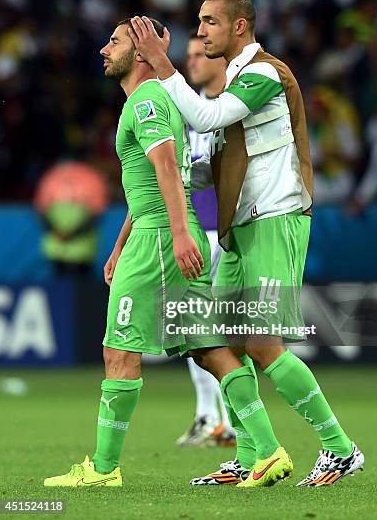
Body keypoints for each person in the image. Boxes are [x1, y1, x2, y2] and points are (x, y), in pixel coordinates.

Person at [128, 0, 365, 488]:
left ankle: (340, 449)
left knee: (261, 341)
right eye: (199, 23)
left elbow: (207, 117)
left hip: (275, 218)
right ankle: (252, 453)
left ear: (239, 27)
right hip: (241, 227)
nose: (201, 32)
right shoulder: (234, 83)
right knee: (222, 341)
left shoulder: (264, 74)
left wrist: (160, 65)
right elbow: (208, 166)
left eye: (210, 23)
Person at [44, 16, 291, 489]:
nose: (103, 49)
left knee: (118, 351)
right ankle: (268, 449)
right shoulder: (148, 101)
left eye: (114, 41)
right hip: (159, 233)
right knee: (207, 348)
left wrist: (176, 236)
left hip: (161, 240)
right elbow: (147, 189)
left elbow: (165, 173)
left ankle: (102, 469)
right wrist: (119, 246)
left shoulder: (148, 100)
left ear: (139, 52)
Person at [177, 32, 236, 448]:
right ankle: (208, 416)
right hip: (197, 232)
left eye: (201, 54)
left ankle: (228, 421)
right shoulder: (185, 114)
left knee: (223, 329)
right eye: (189, 56)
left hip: (228, 232)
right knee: (195, 326)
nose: (194, 62)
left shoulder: (235, 108)